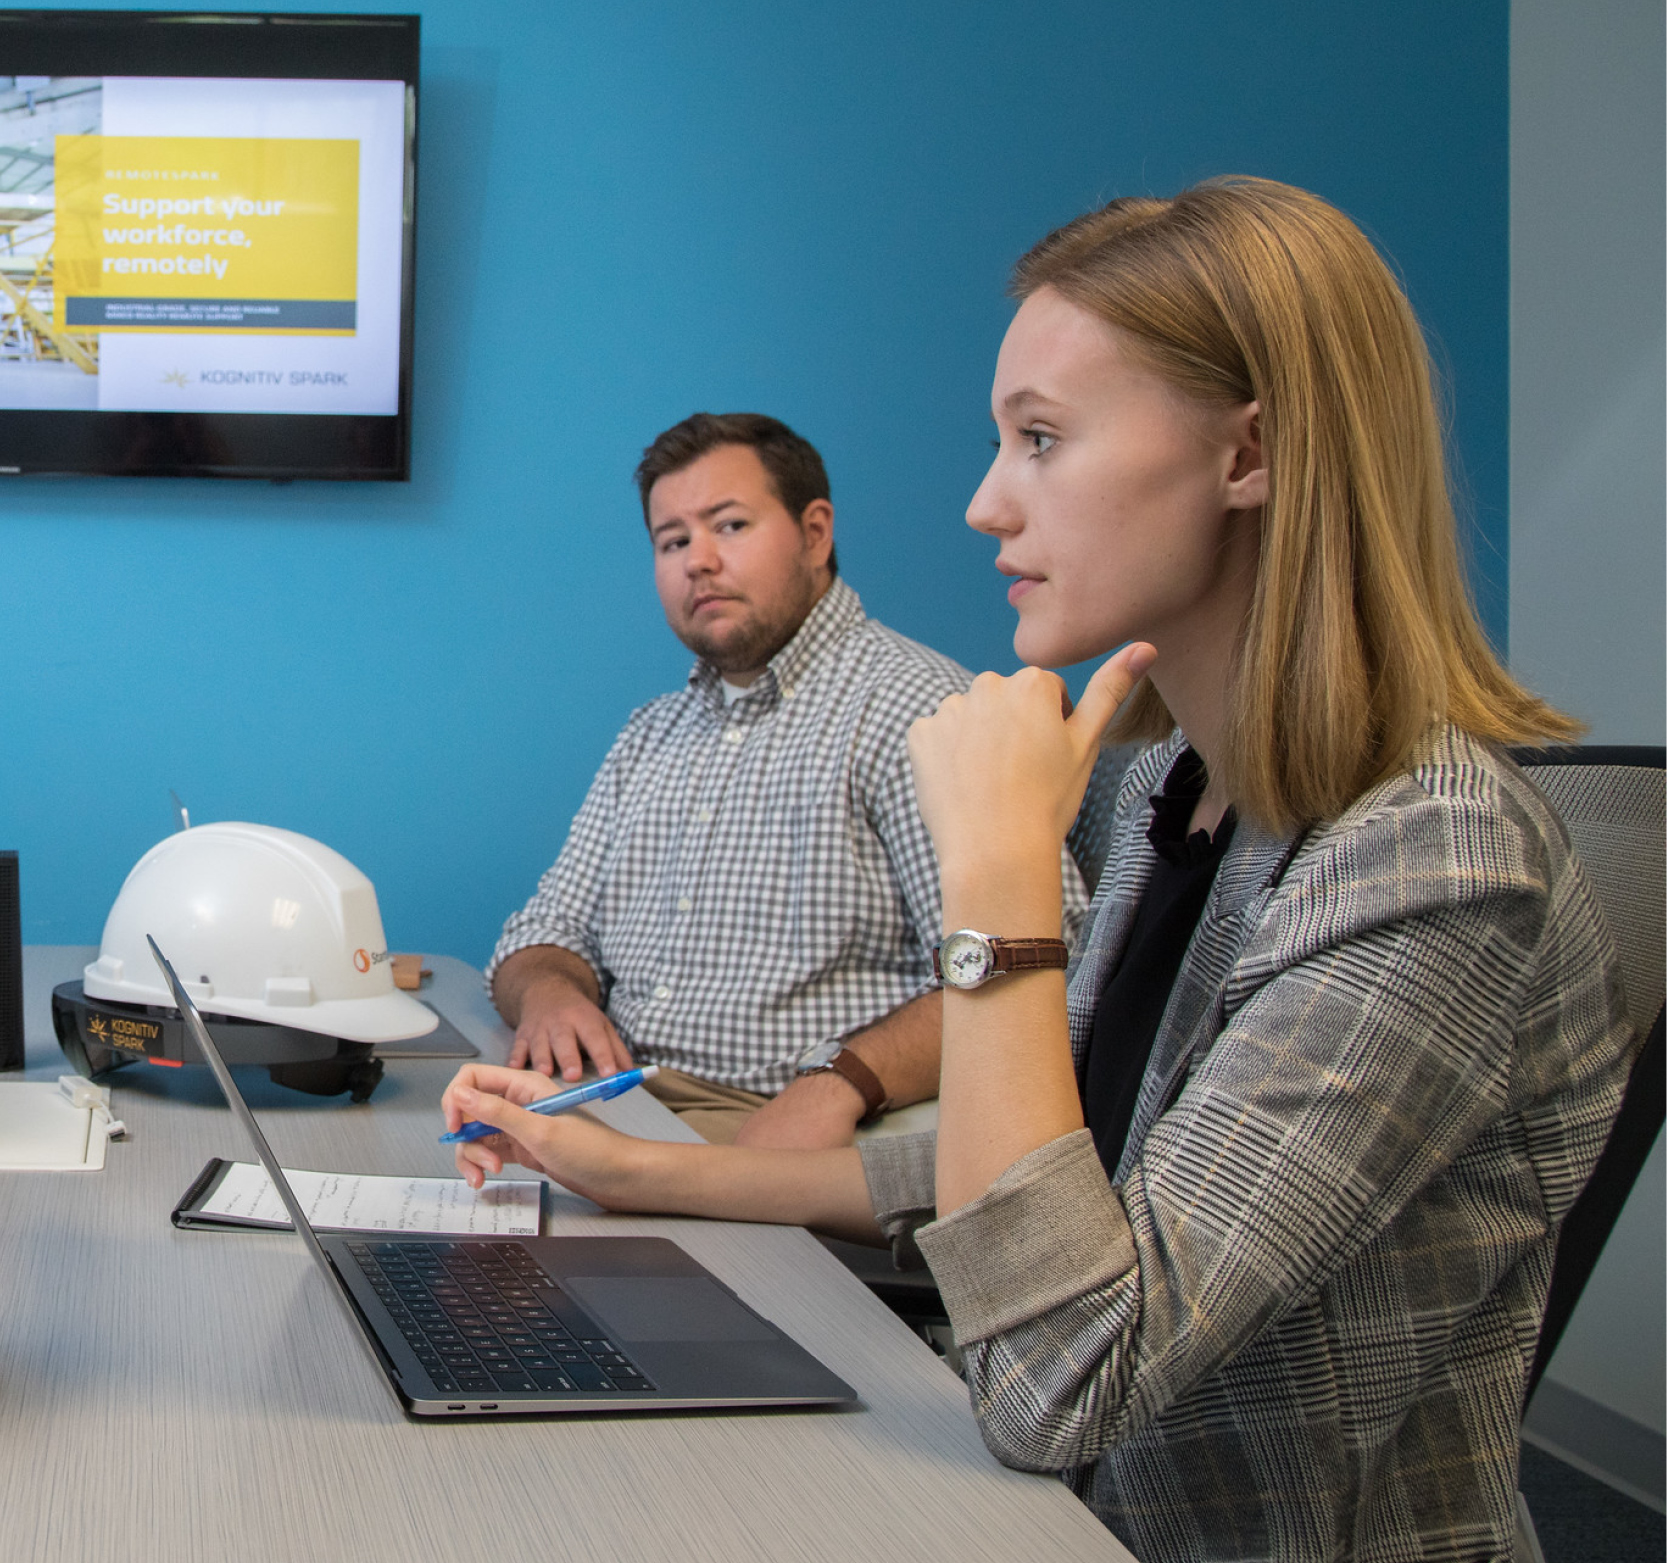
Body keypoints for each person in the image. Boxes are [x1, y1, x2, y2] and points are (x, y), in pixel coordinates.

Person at [444, 180, 1634, 1562]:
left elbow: (1060, 1373)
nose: (979, 502)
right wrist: (625, 1169)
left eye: (1040, 440)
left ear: (1247, 455)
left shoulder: (1427, 854)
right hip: (1033, 1502)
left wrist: (1000, 882)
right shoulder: (1168, 798)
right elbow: (991, 1184)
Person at [488, 411, 1088, 1149]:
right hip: (622, 1097)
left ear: (814, 533)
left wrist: (847, 1076)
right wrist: (547, 993)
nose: (696, 561)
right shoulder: (651, 734)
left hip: (782, 1123)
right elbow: (545, 927)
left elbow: (1035, 967)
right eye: (671, 541)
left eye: (729, 526)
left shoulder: (918, 710)